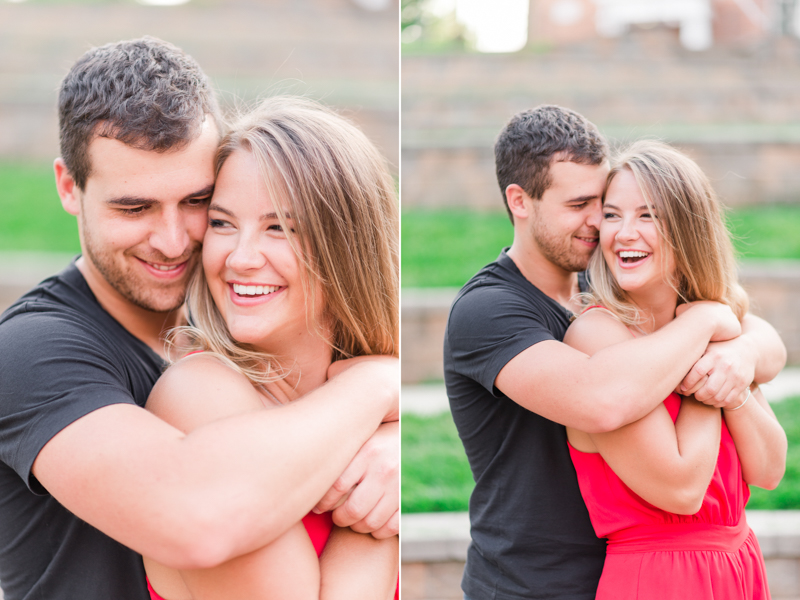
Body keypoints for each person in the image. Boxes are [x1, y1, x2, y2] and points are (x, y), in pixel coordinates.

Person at [0, 37, 398, 600]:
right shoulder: (30, 350)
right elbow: (197, 519)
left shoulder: (234, 333)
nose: (171, 241)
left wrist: (390, 445)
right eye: (134, 207)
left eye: (197, 204)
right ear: (71, 187)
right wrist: (378, 390)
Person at [443, 105, 786, 600]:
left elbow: (762, 338)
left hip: (635, 569)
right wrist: (708, 328)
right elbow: (603, 399)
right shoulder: (490, 311)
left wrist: (738, 350)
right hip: (534, 584)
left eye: (601, 205)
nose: (600, 226)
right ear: (519, 200)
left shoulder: (613, 287)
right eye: (584, 205)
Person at [142, 97, 399, 600]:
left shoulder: (380, 412)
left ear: (348, 245)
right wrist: (376, 399)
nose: (239, 257)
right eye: (221, 223)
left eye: (280, 227)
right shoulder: (198, 396)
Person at [564, 140, 786, 599]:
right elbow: (682, 488)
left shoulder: (716, 329)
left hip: (739, 565)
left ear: (688, 230)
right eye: (612, 214)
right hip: (658, 577)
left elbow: (769, 469)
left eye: (648, 215)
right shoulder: (596, 337)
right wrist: (705, 338)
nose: (624, 232)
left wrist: (735, 367)